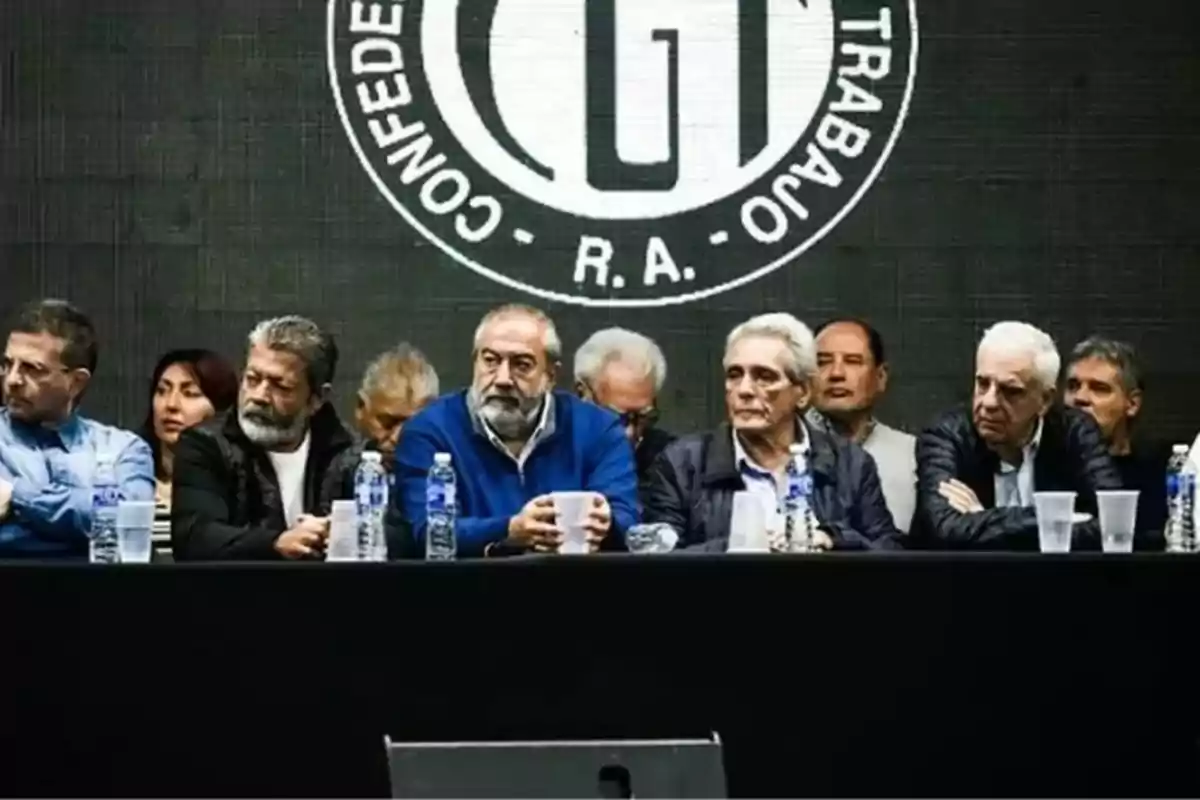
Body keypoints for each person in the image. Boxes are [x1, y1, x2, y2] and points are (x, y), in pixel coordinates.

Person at [394, 304, 639, 558]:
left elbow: (627, 520)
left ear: (551, 375)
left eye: (521, 365)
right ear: (474, 362)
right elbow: (429, 532)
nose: (502, 379)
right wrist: (510, 530)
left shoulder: (598, 429)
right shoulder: (431, 432)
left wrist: (607, 525)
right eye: (490, 361)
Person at [643, 313, 900, 552]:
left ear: (803, 393)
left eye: (764, 377)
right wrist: (740, 545)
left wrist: (833, 538)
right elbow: (660, 563)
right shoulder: (682, 464)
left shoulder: (851, 464)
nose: (744, 390)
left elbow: (890, 553)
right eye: (734, 375)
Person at [914, 321, 1123, 550]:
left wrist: (983, 518)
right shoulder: (947, 435)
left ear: (1044, 400)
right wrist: (1060, 519)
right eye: (983, 383)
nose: (989, 402)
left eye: (1010, 391)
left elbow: (1114, 524)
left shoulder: (1076, 432)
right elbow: (946, 529)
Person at [170, 316, 357, 561]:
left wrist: (344, 532)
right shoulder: (205, 444)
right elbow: (194, 537)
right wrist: (276, 542)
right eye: (252, 379)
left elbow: (399, 534)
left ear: (317, 398)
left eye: (281, 386)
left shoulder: (351, 451)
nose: (259, 396)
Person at [0, 299, 154, 557]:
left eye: (32, 369)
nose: (12, 380)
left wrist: (18, 497)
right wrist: (87, 533)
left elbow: (131, 524)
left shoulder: (121, 449)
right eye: (6, 365)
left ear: (76, 382)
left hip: (97, 593)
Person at [805, 318, 917, 533]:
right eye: (823, 362)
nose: (836, 374)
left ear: (881, 376)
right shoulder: (783, 448)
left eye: (853, 361)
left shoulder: (913, 456)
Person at [1063, 336, 1169, 541]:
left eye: (1099, 388)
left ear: (1132, 404)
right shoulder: (1046, 468)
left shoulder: (1161, 476)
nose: (1080, 398)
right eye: (1073, 386)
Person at [574, 327, 675, 486]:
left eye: (643, 418)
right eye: (616, 418)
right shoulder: (545, 456)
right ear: (583, 395)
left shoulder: (673, 464)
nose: (629, 433)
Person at [139, 349, 239, 509]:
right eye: (162, 391)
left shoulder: (238, 487)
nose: (171, 404)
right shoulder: (130, 474)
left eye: (190, 394)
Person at [354, 342, 439, 470]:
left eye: (415, 424)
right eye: (388, 423)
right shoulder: (331, 473)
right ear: (361, 408)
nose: (397, 437)